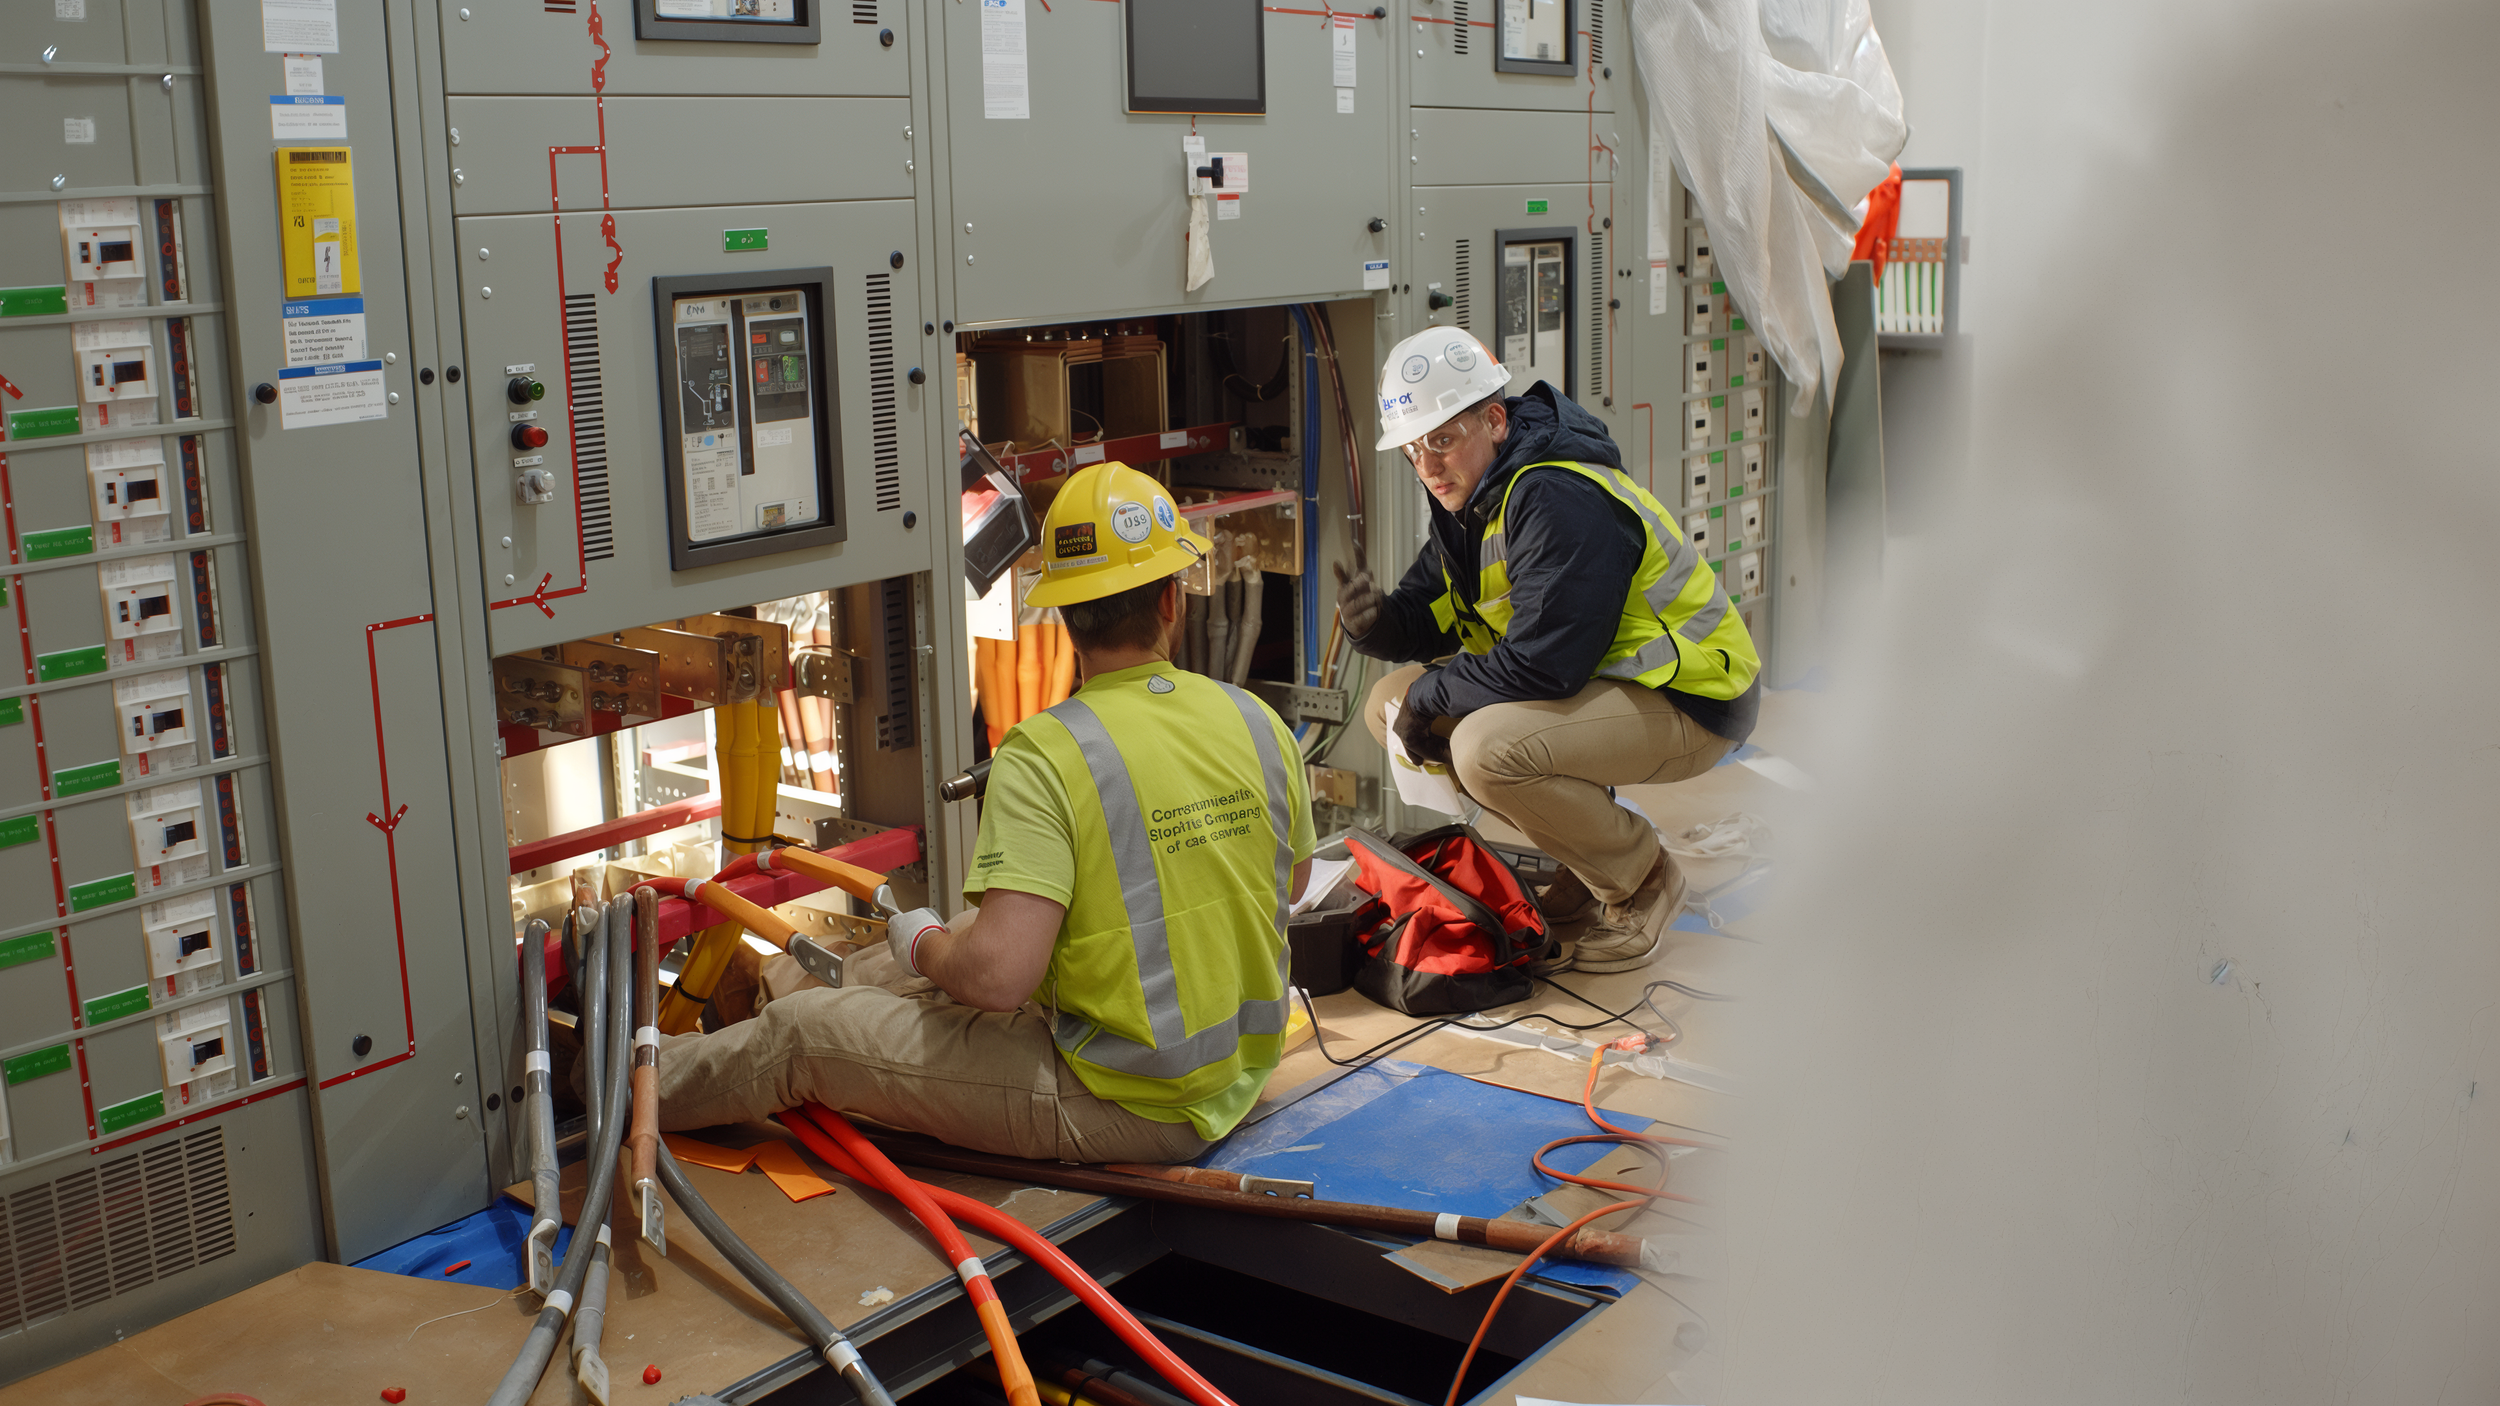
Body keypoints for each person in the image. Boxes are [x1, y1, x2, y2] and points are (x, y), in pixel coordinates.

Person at [655, 462, 1316, 1163]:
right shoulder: (1254, 720)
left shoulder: (1051, 750)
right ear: (1170, 601)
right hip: (1232, 1075)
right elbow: (1291, 884)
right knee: (946, 942)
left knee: (804, 1034)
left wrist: (922, 946)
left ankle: (632, 1087)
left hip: (1117, 1097)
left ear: (1065, 618)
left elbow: (998, 980)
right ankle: (774, 985)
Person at [1339, 328, 1760, 973]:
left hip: (1691, 697)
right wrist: (1379, 626)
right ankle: (1589, 861)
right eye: (1413, 449)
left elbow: (1545, 664)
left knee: (1488, 751)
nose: (1427, 467)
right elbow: (1432, 615)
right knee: (1387, 704)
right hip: (1604, 685)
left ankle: (1643, 879)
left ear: (1496, 420)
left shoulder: (1557, 496)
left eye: (1443, 440)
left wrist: (1433, 696)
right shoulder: (1474, 498)